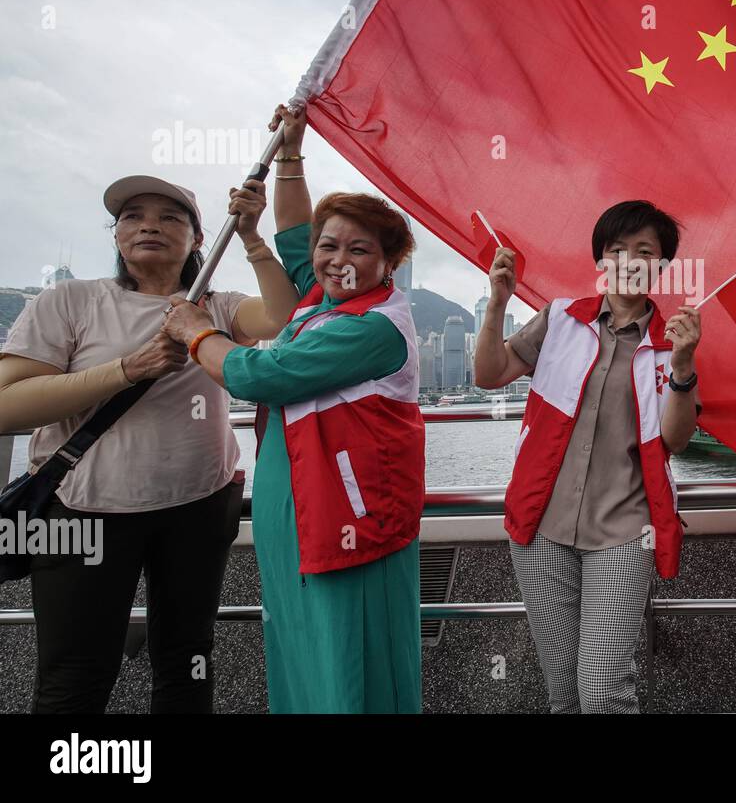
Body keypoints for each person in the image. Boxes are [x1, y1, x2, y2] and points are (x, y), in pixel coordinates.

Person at [158, 103, 425, 713]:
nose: (337, 259)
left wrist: (197, 332)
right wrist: (289, 152)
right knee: (299, 639)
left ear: (388, 263)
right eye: (329, 246)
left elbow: (261, 373)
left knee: (350, 646)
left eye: (360, 250)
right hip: (297, 502)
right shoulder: (326, 295)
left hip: (350, 511)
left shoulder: (375, 325)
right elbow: (293, 232)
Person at [0, 174, 299, 712]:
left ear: (197, 239)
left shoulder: (218, 307)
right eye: (133, 216)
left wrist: (253, 237)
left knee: (187, 659)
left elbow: (283, 314)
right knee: (75, 673)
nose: (149, 226)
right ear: (115, 235)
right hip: (81, 513)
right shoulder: (70, 301)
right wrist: (126, 369)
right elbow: (6, 406)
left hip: (198, 506)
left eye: (170, 217)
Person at [474, 200, 702, 713]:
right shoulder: (560, 319)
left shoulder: (672, 344)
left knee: (602, 693)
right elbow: (490, 374)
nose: (629, 260)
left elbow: (675, 439)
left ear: (663, 266)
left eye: (645, 251)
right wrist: (496, 302)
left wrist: (684, 367)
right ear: (601, 260)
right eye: (617, 249)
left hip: (624, 532)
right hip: (541, 527)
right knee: (562, 693)